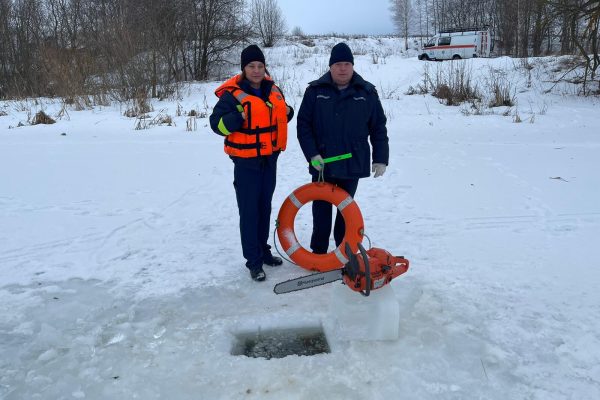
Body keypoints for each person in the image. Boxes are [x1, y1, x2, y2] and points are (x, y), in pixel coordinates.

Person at [209, 44, 294, 282]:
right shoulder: (232, 94)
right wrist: (235, 118)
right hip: (246, 163)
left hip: (269, 159)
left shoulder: (272, 89)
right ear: (243, 68)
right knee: (249, 211)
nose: (256, 70)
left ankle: (263, 251)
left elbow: (282, 115)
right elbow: (216, 124)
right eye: (251, 66)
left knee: (264, 207)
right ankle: (253, 262)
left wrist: (288, 111)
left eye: (260, 66)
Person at [297, 42, 389, 254]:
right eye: (338, 63)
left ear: (353, 65)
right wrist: (312, 154)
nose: (342, 68)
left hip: (352, 162)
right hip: (322, 163)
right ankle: (318, 253)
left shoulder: (366, 92)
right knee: (321, 211)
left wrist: (381, 158)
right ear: (330, 66)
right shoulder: (315, 92)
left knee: (345, 211)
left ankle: (343, 251)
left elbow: (378, 127)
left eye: (347, 63)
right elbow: (303, 125)